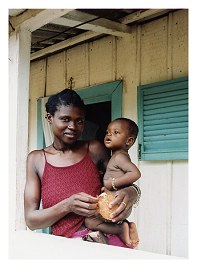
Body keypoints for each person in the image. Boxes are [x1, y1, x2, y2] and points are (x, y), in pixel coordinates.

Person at [24, 88, 141, 248]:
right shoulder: (36, 159)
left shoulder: (94, 149)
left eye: (79, 121)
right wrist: (67, 205)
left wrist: (132, 192)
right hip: (67, 250)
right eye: (65, 119)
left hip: (108, 244)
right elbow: (31, 221)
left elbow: (120, 182)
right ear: (49, 118)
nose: (73, 126)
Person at [84, 118, 141, 248]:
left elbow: (135, 173)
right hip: (118, 205)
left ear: (129, 141)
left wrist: (113, 184)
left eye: (116, 132)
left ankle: (120, 229)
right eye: (108, 132)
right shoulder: (116, 156)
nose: (109, 135)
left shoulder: (120, 157)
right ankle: (126, 227)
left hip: (118, 205)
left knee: (90, 221)